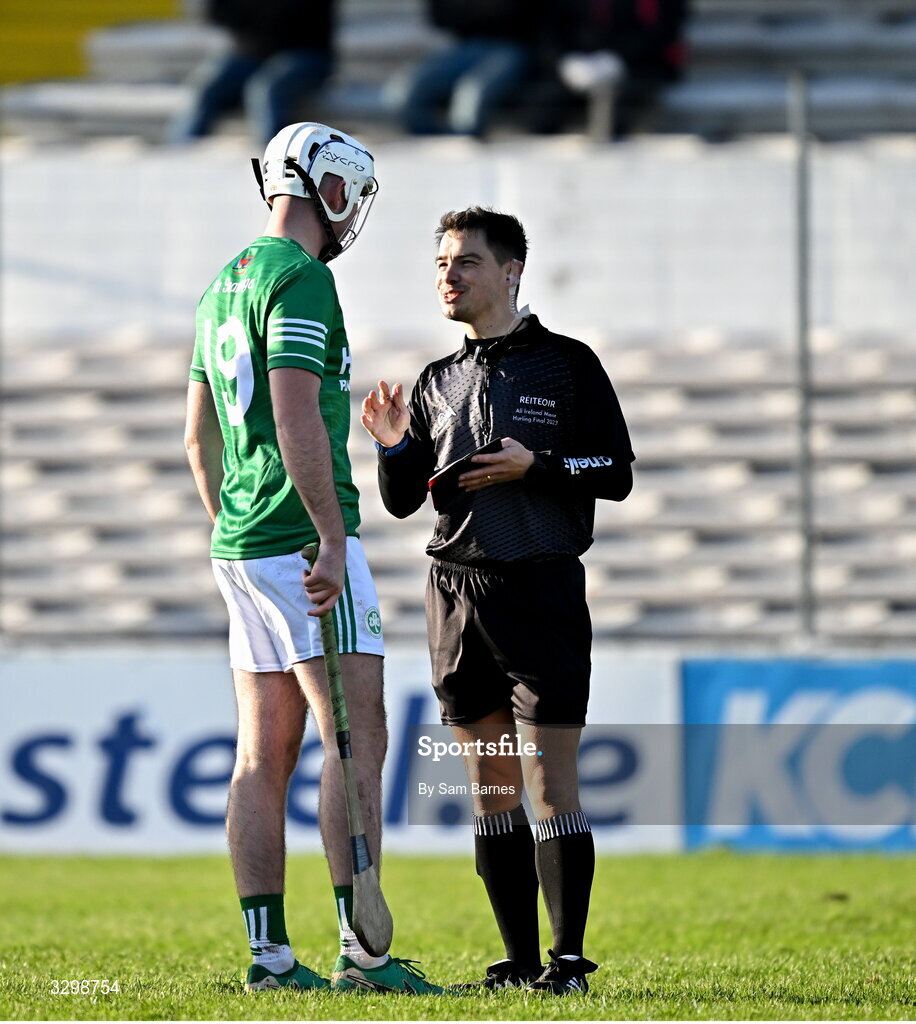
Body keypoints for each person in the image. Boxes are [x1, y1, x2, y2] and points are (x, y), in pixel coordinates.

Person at [184, 122, 443, 995]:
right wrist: (329, 536)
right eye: (350, 191)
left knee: (262, 756)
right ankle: (363, 955)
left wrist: (236, 529)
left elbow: (198, 438)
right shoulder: (303, 281)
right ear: (323, 184)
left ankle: (269, 956)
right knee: (353, 738)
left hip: (241, 545)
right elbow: (296, 417)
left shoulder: (223, 286)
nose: (352, 212)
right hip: (302, 543)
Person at [361, 207, 635, 994]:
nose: (449, 275)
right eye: (442, 262)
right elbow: (406, 504)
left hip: (541, 588)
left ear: (511, 271)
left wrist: (535, 465)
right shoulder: (436, 380)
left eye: (467, 262)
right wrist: (394, 449)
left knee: (552, 783)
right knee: (490, 787)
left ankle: (568, 963)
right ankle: (516, 963)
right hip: (455, 594)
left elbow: (614, 469)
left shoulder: (568, 364)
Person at [172, 0, 335, 145]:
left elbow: (298, 16)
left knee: (264, 88)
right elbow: (218, 14)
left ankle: (274, 159)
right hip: (251, 55)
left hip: (305, 54)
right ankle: (181, 152)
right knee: (206, 87)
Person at [528, 0, 688, 137]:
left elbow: (663, 29)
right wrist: (565, 63)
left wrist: (620, 60)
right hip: (576, 64)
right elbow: (550, 30)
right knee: (541, 112)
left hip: (639, 65)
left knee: (617, 115)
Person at [395, 0, 543, 137]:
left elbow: (522, 14)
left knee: (471, 91)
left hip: (512, 46)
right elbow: (440, 17)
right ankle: (434, 146)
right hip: (466, 45)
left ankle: (462, 143)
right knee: (407, 88)